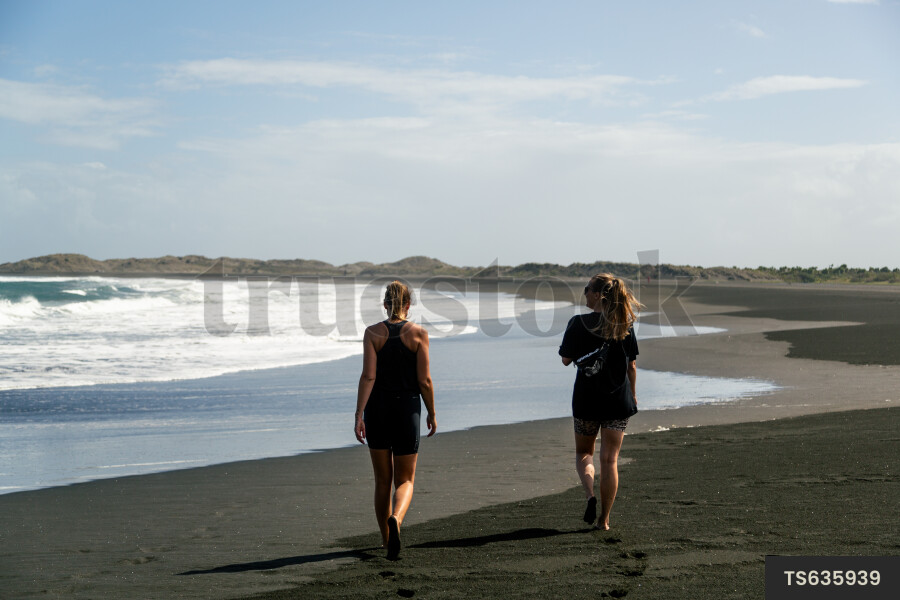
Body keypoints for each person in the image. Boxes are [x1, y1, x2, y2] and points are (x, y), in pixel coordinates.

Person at [355, 280, 436, 560]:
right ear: (408, 305)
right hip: (407, 410)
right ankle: (397, 520)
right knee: (405, 480)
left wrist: (358, 414)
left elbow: (369, 376)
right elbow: (424, 380)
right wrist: (432, 413)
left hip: (377, 410)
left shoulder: (372, 333)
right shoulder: (419, 334)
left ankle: (386, 538)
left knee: (382, 481)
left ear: (385, 304)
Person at [558, 273, 642, 530]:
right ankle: (604, 521)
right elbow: (632, 367)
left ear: (597, 295)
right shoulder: (625, 327)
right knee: (610, 460)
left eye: (586, 289)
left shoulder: (577, 323)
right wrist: (633, 394)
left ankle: (590, 496)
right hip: (617, 401)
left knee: (584, 453)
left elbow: (565, 360)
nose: (584, 293)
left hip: (586, 400)